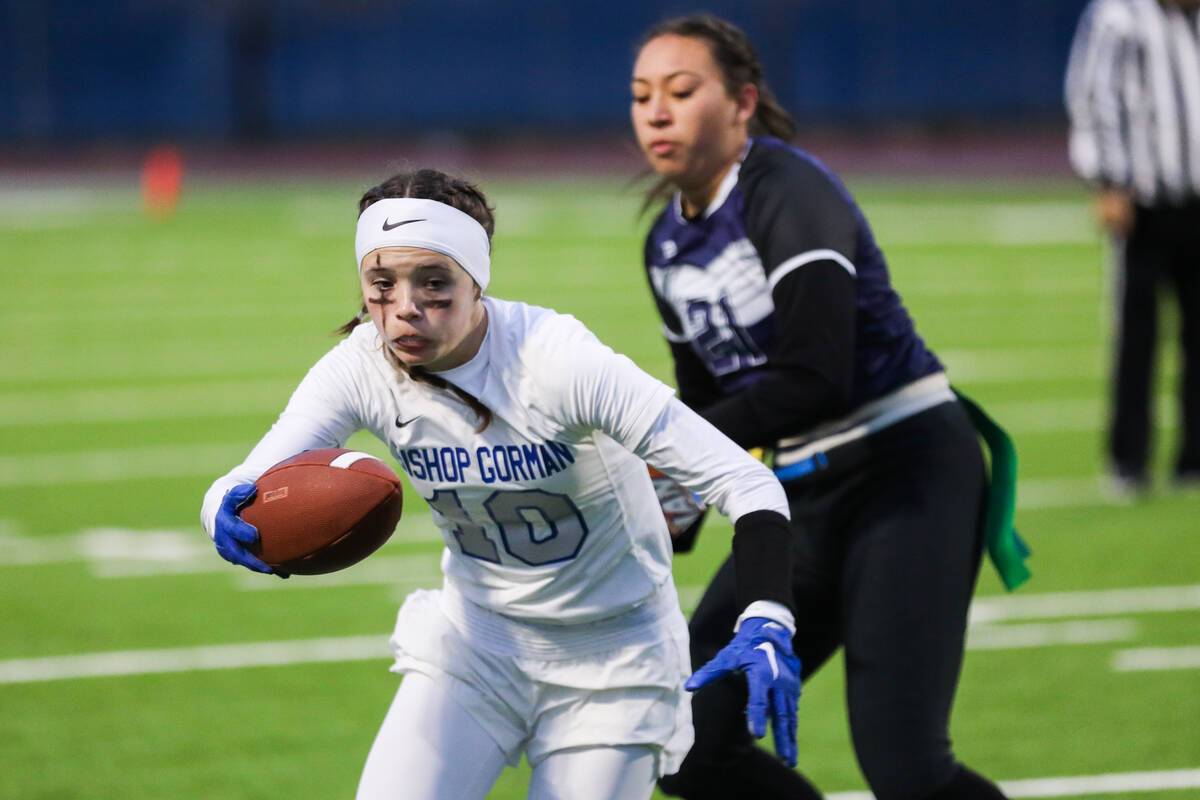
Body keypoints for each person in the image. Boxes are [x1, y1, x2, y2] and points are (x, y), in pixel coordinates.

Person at [199, 167, 804, 800]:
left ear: (476, 279)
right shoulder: (362, 365)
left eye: (433, 283)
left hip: (613, 663)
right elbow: (249, 480)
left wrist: (767, 612)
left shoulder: (557, 361)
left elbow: (746, 479)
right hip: (476, 646)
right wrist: (222, 509)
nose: (403, 307)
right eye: (381, 284)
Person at [629, 15, 1029, 800]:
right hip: (796, 492)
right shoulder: (664, 244)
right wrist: (661, 503)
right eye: (641, 95)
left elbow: (816, 378)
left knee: (907, 767)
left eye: (681, 90)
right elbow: (712, 401)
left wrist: (653, 444)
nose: (656, 112)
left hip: (902, 470)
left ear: (743, 103)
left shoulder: (787, 190)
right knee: (682, 742)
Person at [1065, 0, 1200, 496]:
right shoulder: (1118, 15)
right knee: (1138, 335)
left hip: (1196, 198)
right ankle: (1128, 459)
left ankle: (1195, 459)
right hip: (1143, 200)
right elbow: (1092, 96)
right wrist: (1107, 180)